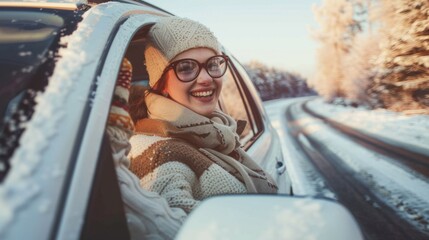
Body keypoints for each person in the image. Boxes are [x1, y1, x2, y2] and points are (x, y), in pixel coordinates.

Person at [126, 16, 278, 214]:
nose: (206, 78)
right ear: (160, 82)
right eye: (186, 68)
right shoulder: (159, 154)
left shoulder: (221, 131)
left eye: (213, 64)